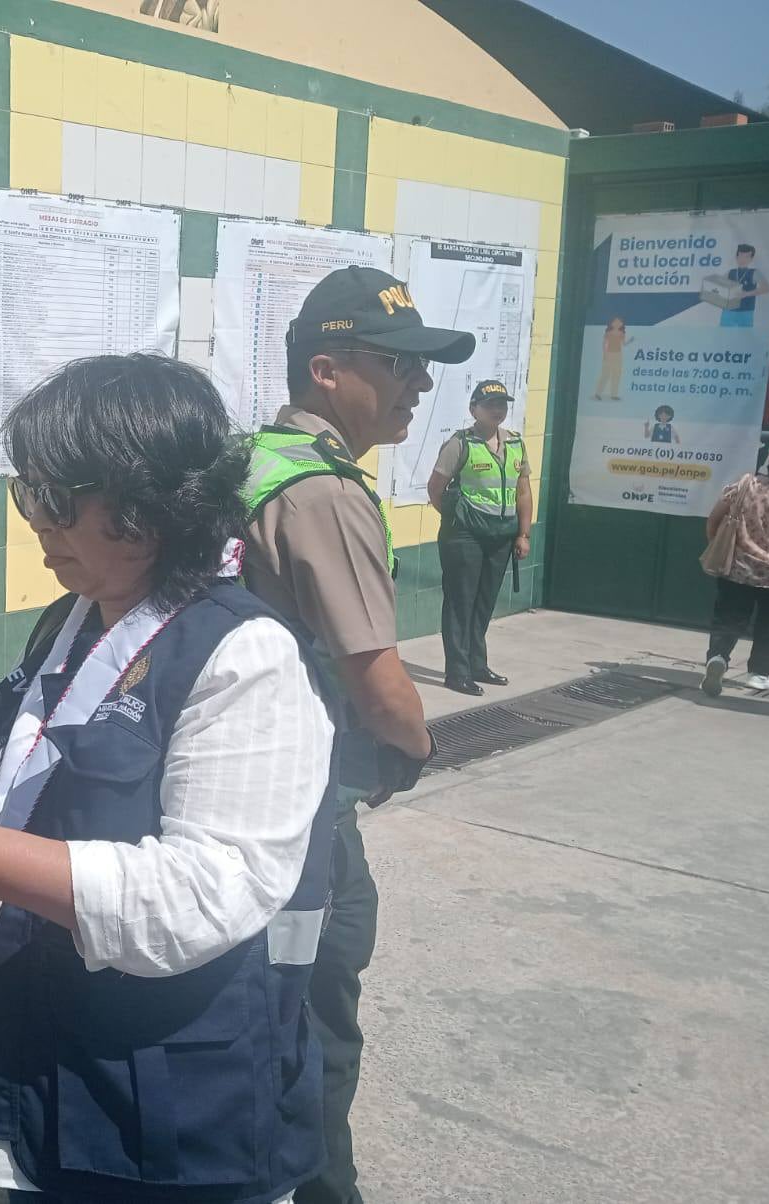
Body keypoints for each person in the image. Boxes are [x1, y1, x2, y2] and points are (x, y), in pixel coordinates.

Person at [0, 354, 337, 1202]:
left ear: (146, 508)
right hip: (52, 1065)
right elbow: (24, 775)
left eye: (56, 501)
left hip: (172, 1117)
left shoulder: (245, 657)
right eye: (29, 496)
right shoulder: (74, 616)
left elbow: (209, 893)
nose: (36, 525)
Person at [240, 265, 468, 1204]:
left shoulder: (250, 458)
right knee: (315, 1029)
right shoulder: (325, 491)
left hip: (238, 784)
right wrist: (413, 750)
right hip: (302, 814)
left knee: (253, 1015)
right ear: (326, 371)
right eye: (400, 363)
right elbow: (379, 687)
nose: (420, 384)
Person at [426, 380, 533, 696]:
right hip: (465, 536)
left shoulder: (515, 443)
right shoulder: (460, 443)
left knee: (484, 602)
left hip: (501, 535)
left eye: (502, 405)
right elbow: (435, 487)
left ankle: (477, 664)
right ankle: (457, 673)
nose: (497, 411)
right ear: (474, 409)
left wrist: (523, 533)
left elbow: (523, 491)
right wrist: (456, 519)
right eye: (490, 405)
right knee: (461, 602)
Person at [701, 439, 769, 694]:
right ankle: (759, 673)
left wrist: (721, 547)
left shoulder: (744, 485)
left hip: (736, 569)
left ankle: (718, 657)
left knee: (728, 617)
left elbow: (714, 519)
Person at [720, 243, 769, 329]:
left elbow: (766, 288)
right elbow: (719, 287)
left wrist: (747, 294)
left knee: (745, 337)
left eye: (747, 257)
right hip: (728, 311)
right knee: (723, 336)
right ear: (736, 257)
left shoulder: (754, 272)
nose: (743, 259)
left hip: (746, 312)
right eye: (741, 256)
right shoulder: (730, 272)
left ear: (751, 259)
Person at [593, 316, 631, 400]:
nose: (617, 323)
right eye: (615, 322)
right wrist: (605, 354)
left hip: (618, 355)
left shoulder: (622, 333)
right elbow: (604, 344)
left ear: (621, 324)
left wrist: (630, 341)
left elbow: (624, 344)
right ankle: (598, 393)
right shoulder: (608, 333)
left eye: (619, 322)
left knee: (616, 375)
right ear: (612, 323)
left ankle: (613, 395)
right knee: (605, 374)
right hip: (609, 354)